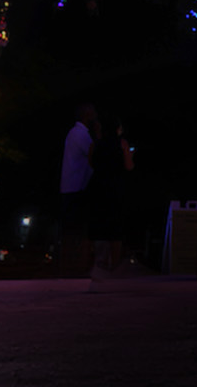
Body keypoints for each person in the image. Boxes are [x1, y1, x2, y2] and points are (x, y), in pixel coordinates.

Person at [87, 110, 135, 278]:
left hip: (98, 186)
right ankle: (114, 265)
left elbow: (91, 162)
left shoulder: (96, 144)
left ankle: (99, 262)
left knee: (100, 224)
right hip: (116, 187)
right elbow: (129, 166)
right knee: (116, 227)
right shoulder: (121, 143)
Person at [58, 103, 98, 275]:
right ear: (87, 116)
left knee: (71, 228)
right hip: (76, 187)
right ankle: (75, 267)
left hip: (71, 187)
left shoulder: (74, 133)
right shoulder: (81, 135)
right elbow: (95, 156)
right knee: (77, 228)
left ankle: (70, 266)